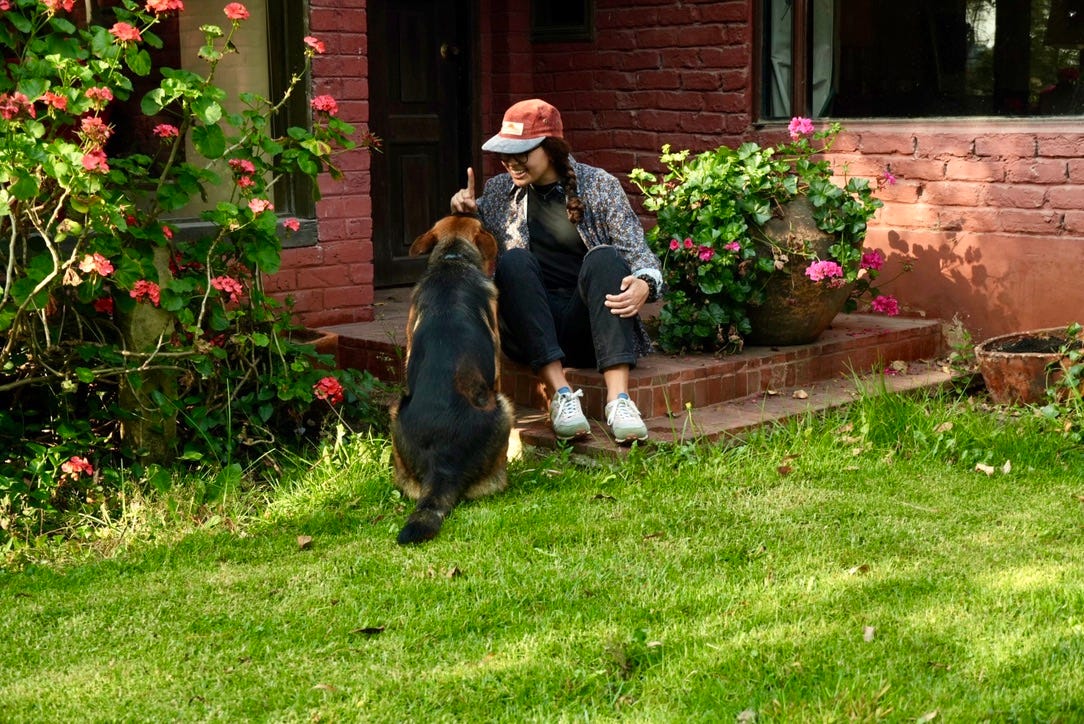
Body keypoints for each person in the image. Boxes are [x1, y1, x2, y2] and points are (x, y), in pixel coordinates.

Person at [450, 98, 663, 444]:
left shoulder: (599, 186)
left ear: (550, 148)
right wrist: (464, 212)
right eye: (505, 154)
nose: (511, 163)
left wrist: (644, 283)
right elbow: (474, 248)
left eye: (522, 153)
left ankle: (619, 401)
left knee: (605, 258)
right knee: (514, 261)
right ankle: (561, 396)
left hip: (588, 329)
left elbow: (641, 256)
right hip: (531, 329)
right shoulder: (500, 190)